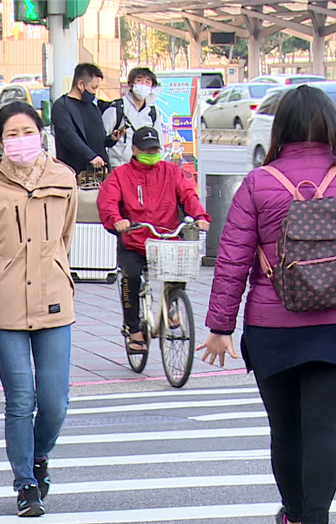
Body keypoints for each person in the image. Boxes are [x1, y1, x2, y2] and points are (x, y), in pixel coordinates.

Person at [197, 85, 336, 524]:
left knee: (286, 429)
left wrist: (221, 325)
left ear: (280, 128)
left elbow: (232, 260)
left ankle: (294, 518)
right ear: (333, 127)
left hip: (273, 324)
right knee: (325, 429)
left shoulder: (258, 184)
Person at [0, 101, 78, 517]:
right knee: (20, 398)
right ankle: (25, 483)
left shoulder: (64, 179)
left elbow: (64, 235)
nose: (20, 141)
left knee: (55, 401)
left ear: (41, 134)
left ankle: (39, 454)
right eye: (10, 135)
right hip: (5, 304)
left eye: (27, 132)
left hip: (54, 301)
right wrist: (3, 275)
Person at [97, 127, 210, 351]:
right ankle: (133, 330)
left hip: (165, 238)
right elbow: (107, 202)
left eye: (155, 149)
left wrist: (199, 216)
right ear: (135, 150)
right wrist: (117, 220)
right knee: (131, 277)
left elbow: (188, 195)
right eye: (146, 150)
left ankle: (172, 304)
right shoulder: (120, 175)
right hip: (134, 241)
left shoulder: (171, 172)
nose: (151, 153)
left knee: (180, 266)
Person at [50, 63, 115, 174]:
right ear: (80, 84)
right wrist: (91, 156)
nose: (94, 92)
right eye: (93, 87)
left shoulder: (93, 107)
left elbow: (99, 140)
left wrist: (112, 139)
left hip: (100, 172)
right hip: (76, 172)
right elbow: (68, 136)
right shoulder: (62, 106)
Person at [103, 67, 166, 169]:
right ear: (130, 84)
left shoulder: (153, 112)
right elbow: (102, 138)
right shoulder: (117, 109)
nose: (143, 85)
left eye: (147, 82)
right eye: (139, 80)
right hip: (118, 167)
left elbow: (160, 141)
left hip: (145, 167)